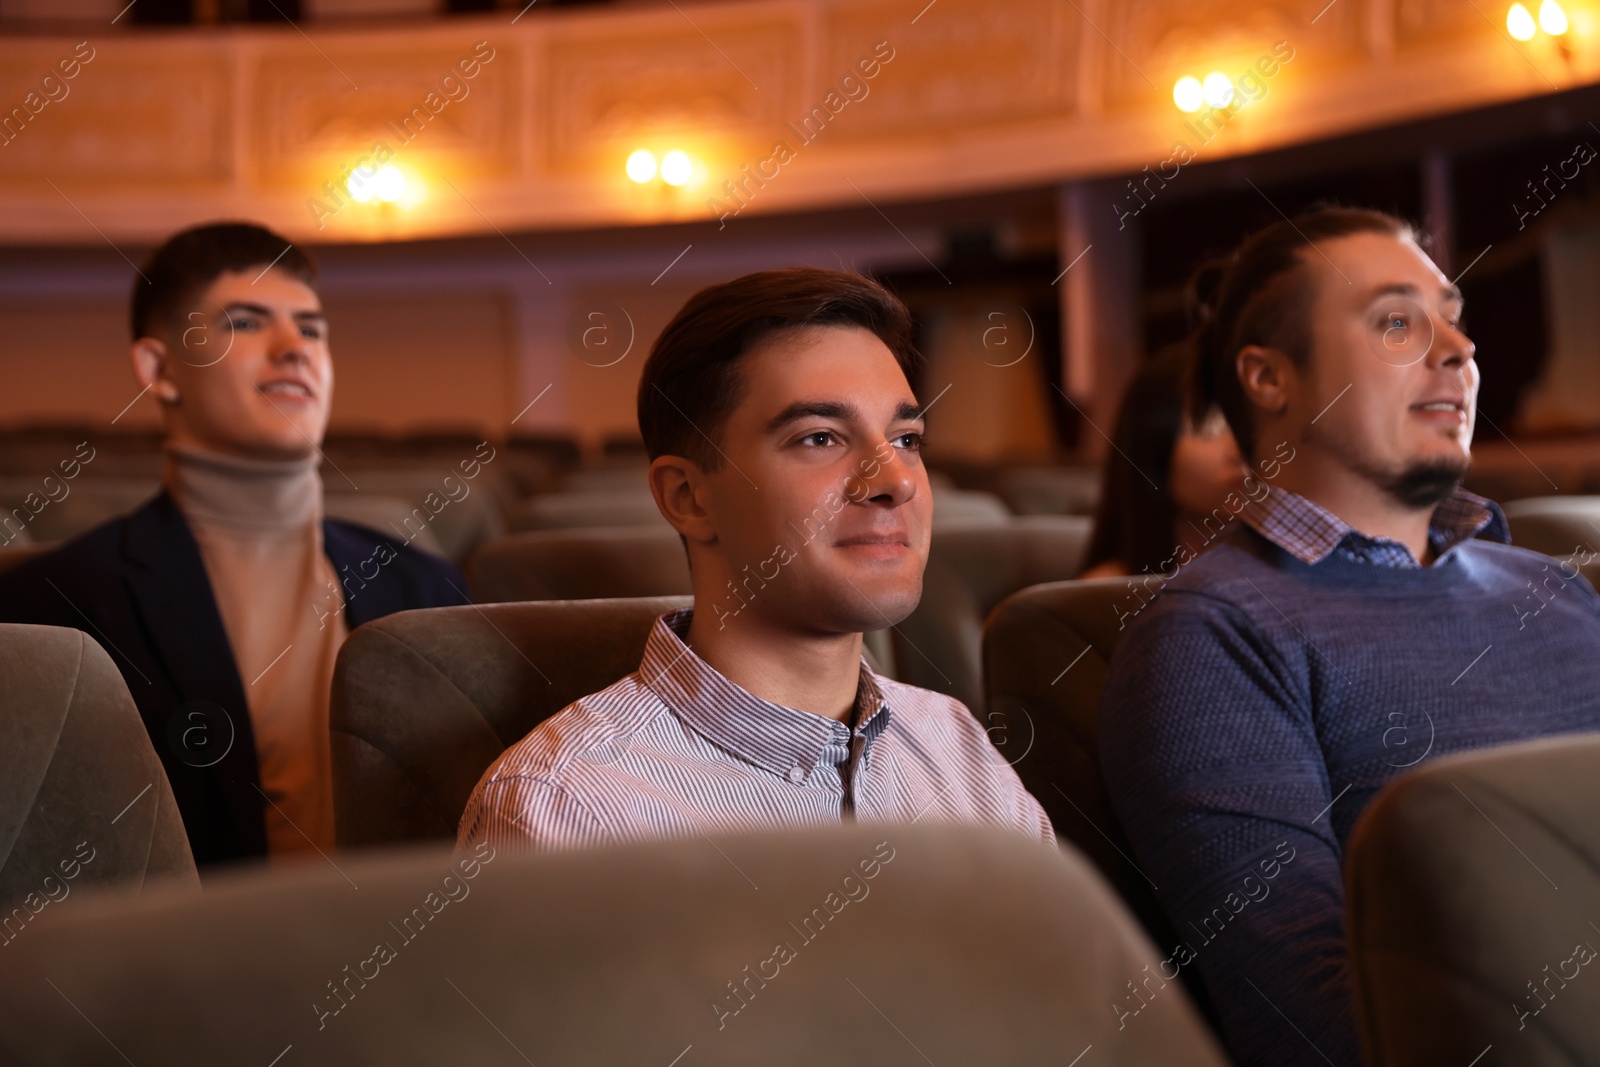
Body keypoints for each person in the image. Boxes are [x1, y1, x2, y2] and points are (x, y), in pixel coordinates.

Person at [1097, 206, 1600, 1067]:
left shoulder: (1554, 587)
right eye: (1398, 321)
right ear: (1268, 379)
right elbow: (1314, 1024)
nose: (1459, 349)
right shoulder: (1211, 640)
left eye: (1453, 315)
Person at [457, 267, 1053, 852]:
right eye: (820, 437)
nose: (895, 480)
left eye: (906, 440)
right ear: (688, 498)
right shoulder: (566, 810)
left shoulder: (955, 743)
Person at [0, 222, 468, 868]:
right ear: (159, 368)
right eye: (246, 323)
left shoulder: (429, 585)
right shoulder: (54, 604)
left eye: (311, 328)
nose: (293, 348)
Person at [1079, 341, 1250, 579]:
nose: (1240, 450)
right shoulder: (1105, 594)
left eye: (1251, 424)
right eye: (1209, 427)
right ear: (1152, 440)